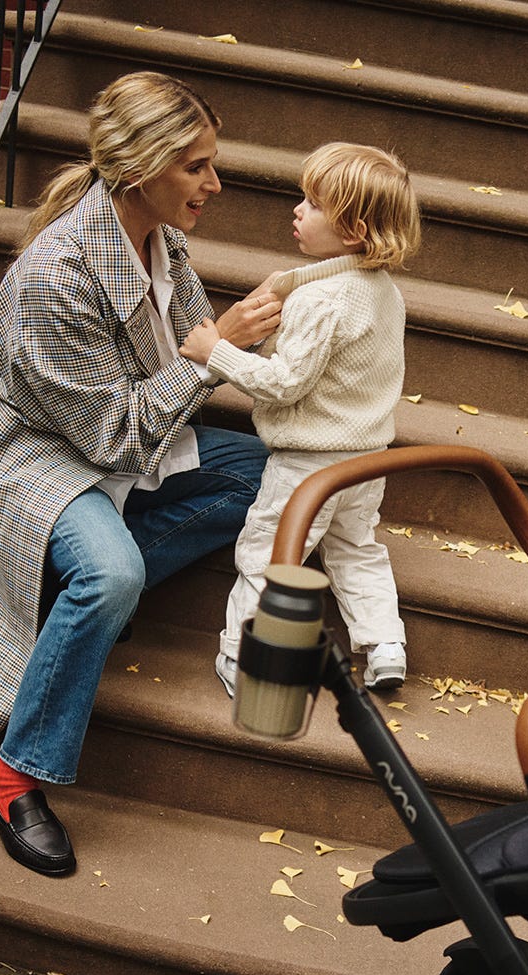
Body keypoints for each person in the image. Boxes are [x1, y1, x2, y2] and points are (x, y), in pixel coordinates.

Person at [0, 71, 282, 877]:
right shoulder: (55, 277)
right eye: (197, 165)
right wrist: (215, 353)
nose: (216, 182)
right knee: (112, 571)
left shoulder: (158, 236)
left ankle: (67, 597)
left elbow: (196, 338)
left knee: (259, 474)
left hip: (131, 436)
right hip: (43, 453)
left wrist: (279, 335)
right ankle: (15, 774)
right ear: (139, 170)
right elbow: (110, 434)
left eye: (213, 162)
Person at [180, 141, 421, 699]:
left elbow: (284, 383)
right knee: (355, 549)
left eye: (313, 204)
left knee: (268, 555)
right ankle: (385, 644)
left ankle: (244, 658)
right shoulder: (385, 293)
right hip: (365, 460)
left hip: (308, 464)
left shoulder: (323, 299)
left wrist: (215, 350)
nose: (297, 210)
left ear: (354, 228)